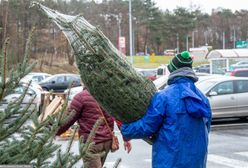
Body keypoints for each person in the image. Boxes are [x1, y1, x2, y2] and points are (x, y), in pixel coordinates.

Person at [121, 51, 212, 168]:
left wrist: (126, 130)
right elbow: (207, 128)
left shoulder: (164, 97)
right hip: (197, 161)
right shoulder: (203, 99)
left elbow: (148, 125)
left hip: (169, 161)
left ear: (173, 70)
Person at [57, 87, 132, 168]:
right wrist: (126, 138)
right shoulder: (107, 96)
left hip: (91, 144)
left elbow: (68, 119)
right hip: (107, 142)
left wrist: (53, 132)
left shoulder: (81, 97)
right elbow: (118, 117)